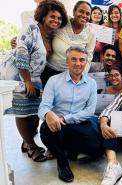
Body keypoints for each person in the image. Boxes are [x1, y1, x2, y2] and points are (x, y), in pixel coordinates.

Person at [4, 0, 68, 163]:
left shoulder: (51, 33)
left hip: (36, 77)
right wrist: (27, 82)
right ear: (43, 16)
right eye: (52, 16)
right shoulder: (31, 28)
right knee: (23, 113)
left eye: (59, 18)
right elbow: (21, 54)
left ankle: (27, 143)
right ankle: (32, 147)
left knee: (34, 113)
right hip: (21, 76)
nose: (56, 20)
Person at [39, 47, 103, 182]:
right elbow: (43, 106)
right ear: (67, 61)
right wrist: (48, 114)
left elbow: (89, 111)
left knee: (97, 150)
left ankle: (68, 148)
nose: (78, 63)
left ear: (86, 63)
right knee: (45, 129)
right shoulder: (54, 81)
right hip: (58, 124)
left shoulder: (91, 83)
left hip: (79, 122)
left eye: (82, 60)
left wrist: (66, 118)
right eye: (73, 59)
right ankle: (62, 162)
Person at [41, 0, 95, 86]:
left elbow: (88, 58)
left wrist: (80, 77)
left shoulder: (91, 33)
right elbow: (44, 31)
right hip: (49, 70)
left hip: (70, 76)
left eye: (87, 13)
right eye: (81, 11)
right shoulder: (63, 22)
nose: (84, 15)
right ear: (74, 12)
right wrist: (24, 39)